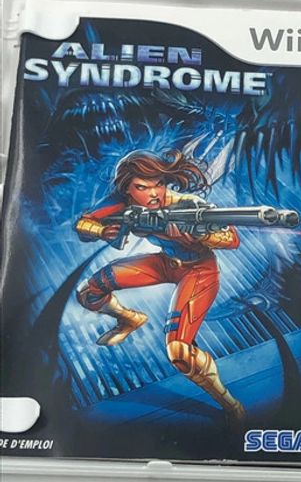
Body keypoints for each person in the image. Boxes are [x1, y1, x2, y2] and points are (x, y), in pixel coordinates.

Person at [74, 149, 245, 424]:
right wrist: (101, 231)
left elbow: (232, 239)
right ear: (127, 189)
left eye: (159, 184)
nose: (154, 194)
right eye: (142, 187)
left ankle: (232, 406)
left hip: (199, 270)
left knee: (179, 353)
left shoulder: (188, 205)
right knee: (88, 292)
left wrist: (202, 235)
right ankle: (128, 318)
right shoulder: (121, 202)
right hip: (165, 263)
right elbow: (83, 222)